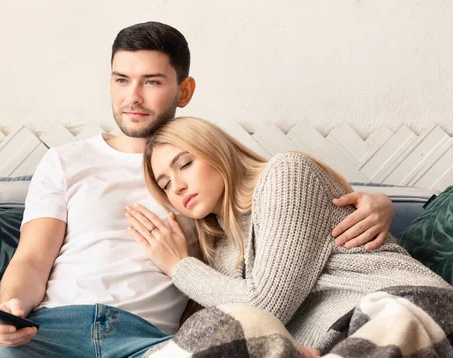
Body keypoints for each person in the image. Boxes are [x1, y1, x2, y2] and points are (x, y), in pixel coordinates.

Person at [0, 22, 396, 357]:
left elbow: (286, 217)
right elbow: (32, 258)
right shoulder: (65, 161)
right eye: (121, 80)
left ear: (185, 90)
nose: (133, 97)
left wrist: (380, 205)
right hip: (54, 327)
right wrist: (12, 307)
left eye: (152, 82)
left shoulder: (207, 176)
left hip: (153, 341)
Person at [125, 116, 452, 352]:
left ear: (217, 151)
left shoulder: (285, 174)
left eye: (184, 164)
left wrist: (178, 266)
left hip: (400, 310)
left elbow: (265, 307)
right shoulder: (220, 254)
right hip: (337, 343)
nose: (177, 186)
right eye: (165, 185)